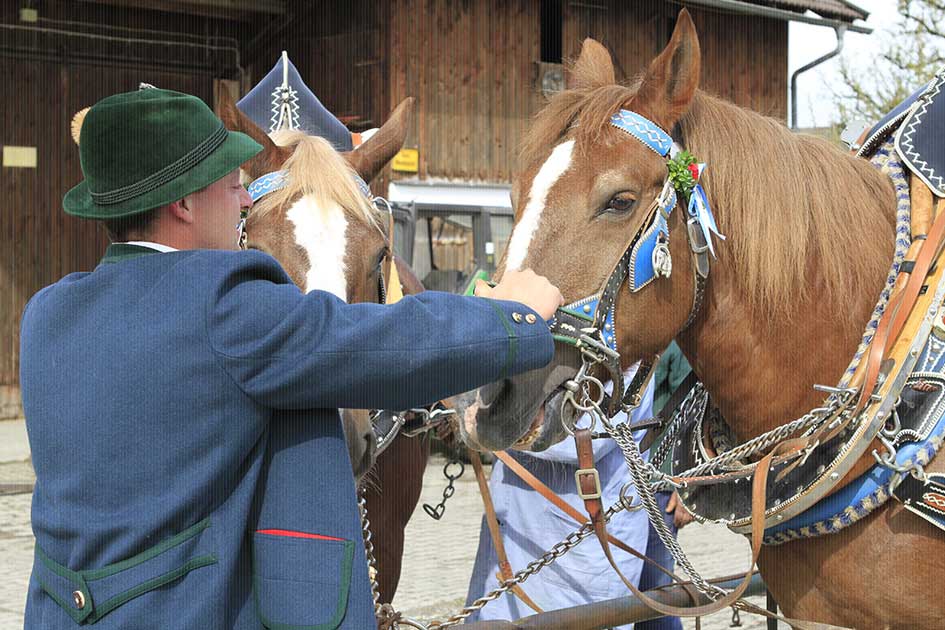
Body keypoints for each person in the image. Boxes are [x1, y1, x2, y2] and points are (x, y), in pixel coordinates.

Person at [21, 87, 562, 629]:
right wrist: (515, 316)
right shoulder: (220, 301)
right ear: (183, 204)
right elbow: (368, 341)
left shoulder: (47, 314)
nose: (243, 202)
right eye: (233, 186)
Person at [465, 370, 690, 630]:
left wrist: (489, 419)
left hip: (580, 544)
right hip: (515, 530)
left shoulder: (626, 361)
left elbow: (586, 438)